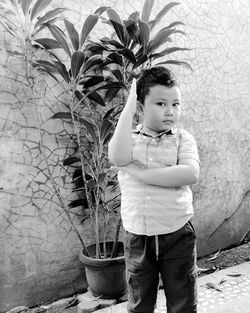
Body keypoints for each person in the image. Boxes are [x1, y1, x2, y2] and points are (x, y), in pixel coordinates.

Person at [108, 66, 200, 313]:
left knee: (183, 300)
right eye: (161, 103)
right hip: (138, 236)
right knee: (140, 302)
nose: (170, 111)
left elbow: (189, 173)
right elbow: (116, 156)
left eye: (176, 104)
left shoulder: (182, 138)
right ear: (140, 108)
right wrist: (128, 106)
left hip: (177, 233)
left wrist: (142, 174)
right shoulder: (129, 140)